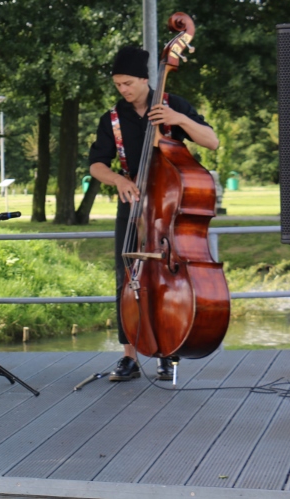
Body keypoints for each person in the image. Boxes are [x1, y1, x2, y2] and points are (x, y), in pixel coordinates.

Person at [88, 46, 219, 382]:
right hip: (134, 208)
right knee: (127, 278)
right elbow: (96, 164)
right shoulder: (113, 119)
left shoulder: (173, 105)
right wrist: (117, 178)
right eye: (118, 84)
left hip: (170, 208)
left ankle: (168, 351)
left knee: (167, 278)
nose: (123, 90)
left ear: (146, 79)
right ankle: (129, 355)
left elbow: (212, 141)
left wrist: (180, 120)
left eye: (128, 83)